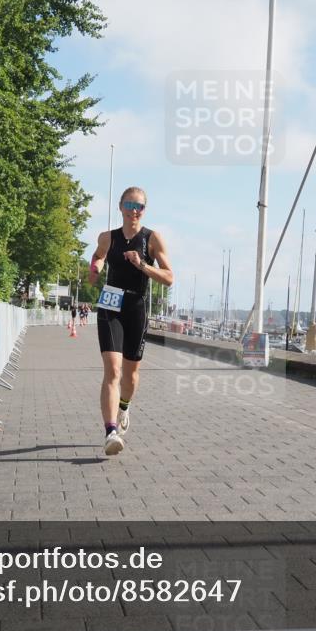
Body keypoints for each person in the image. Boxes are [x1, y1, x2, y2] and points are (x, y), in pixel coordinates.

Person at [89, 187, 174, 456]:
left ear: (144, 210)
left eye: (138, 206)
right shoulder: (108, 237)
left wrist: (142, 266)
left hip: (136, 307)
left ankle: (124, 406)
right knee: (112, 371)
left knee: (131, 374)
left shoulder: (152, 239)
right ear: (120, 207)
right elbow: (98, 256)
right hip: (110, 307)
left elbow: (169, 277)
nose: (133, 210)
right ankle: (110, 431)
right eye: (129, 205)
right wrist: (96, 268)